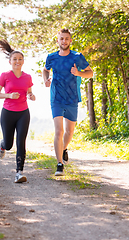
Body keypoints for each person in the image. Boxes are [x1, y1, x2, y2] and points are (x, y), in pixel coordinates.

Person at [42, 28, 93, 176]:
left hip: (72, 99)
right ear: (57, 41)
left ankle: (63, 149)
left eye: (66, 39)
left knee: (70, 132)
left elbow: (90, 73)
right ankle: (59, 164)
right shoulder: (51, 57)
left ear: (70, 41)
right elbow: (45, 70)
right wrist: (46, 80)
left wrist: (78, 73)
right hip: (56, 98)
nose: (64, 41)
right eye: (61, 38)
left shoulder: (77, 57)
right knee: (59, 131)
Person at [0, 39, 36, 183]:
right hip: (8, 113)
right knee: (9, 144)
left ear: (23, 61)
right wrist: (8, 95)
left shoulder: (27, 77)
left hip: (23, 112)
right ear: (10, 61)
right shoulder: (5, 75)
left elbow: (29, 92)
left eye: (20, 59)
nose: (17, 61)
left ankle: (19, 172)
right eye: (15, 59)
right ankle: (2, 145)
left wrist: (31, 96)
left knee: (21, 142)